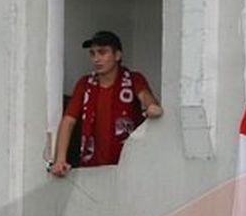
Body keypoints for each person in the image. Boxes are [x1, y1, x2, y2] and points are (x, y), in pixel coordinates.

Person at [50, 30, 163, 176]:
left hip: (127, 167)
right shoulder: (85, 85)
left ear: (117, 55)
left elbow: (147, 99)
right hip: (90, 169)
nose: (96, 59)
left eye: (102, 53)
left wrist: (152, 107)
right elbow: (68, 121)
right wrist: (60, 159)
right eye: (93, 54)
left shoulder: (133, 79)